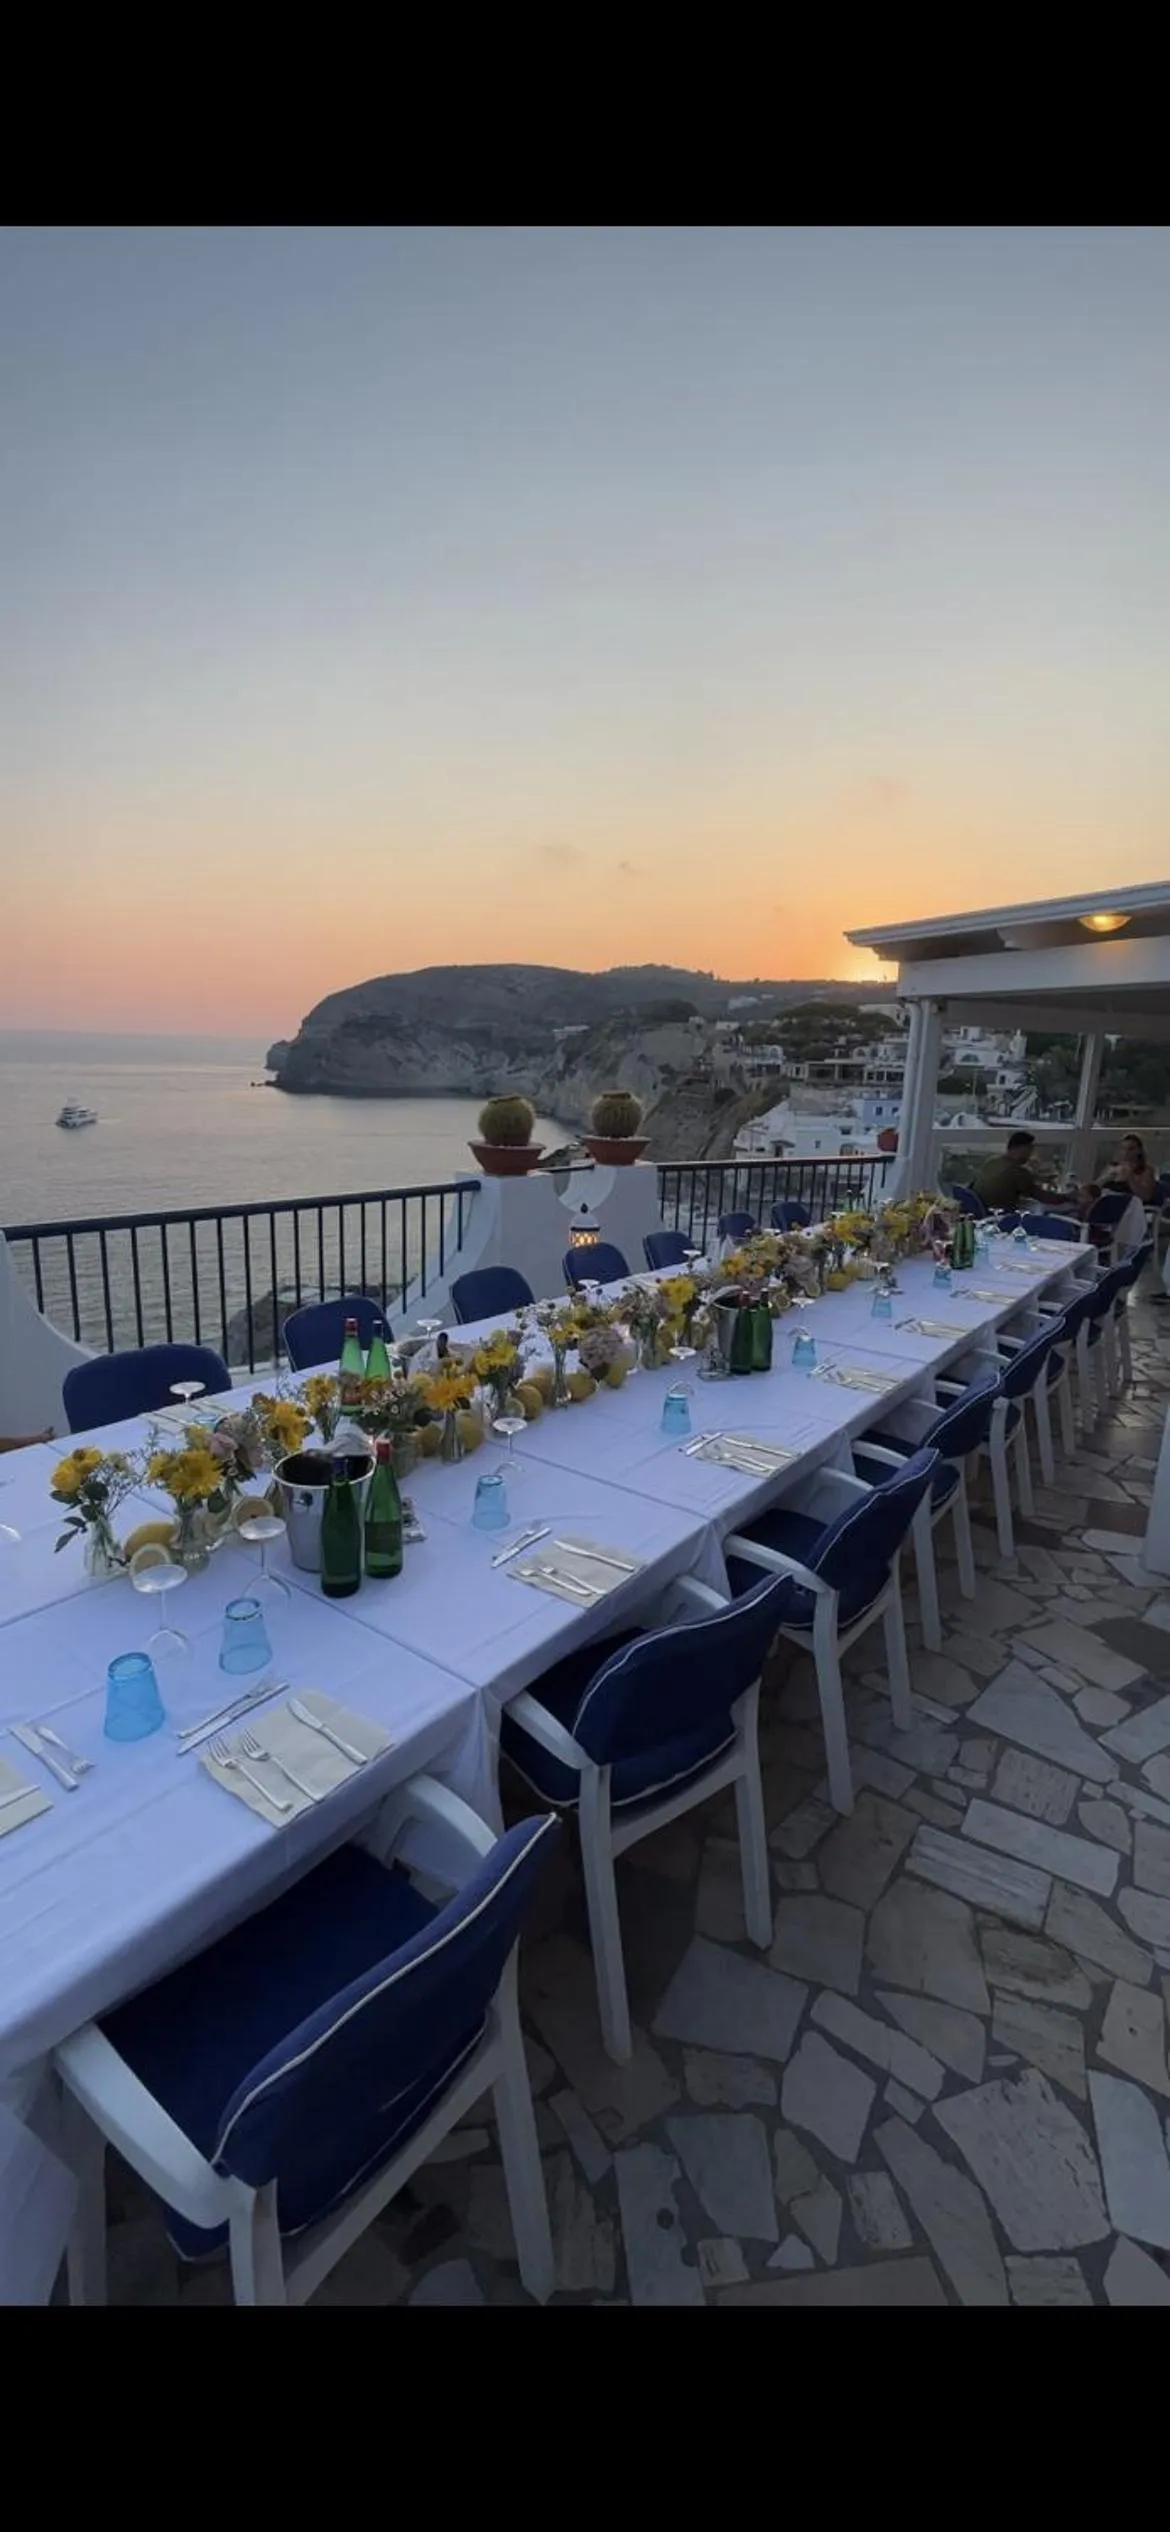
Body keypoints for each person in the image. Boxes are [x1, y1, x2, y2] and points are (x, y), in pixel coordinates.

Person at [972, 1130, 1062, 1212]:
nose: (1030, 1155)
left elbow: (1008, 1177)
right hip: (1000, 1214)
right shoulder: (1018, 1172)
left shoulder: (992, 1161)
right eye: (1029, 1150)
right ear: (1020, 1149)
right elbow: (1043, 1197)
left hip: (978, 1208)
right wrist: (1068, 1196)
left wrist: (1039, 1178)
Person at [1101, 1134, 1158, 1205]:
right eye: (1123, 1148)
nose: (1126, 1152)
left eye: (1131, 1149)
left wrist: (1130, 1177)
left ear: (1139, 1151)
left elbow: (1145, 1196)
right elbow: (1094, 1189)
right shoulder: (1112, 1166)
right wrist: (1104, 1179)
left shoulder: (1144, 1170)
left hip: (1131, 1206)